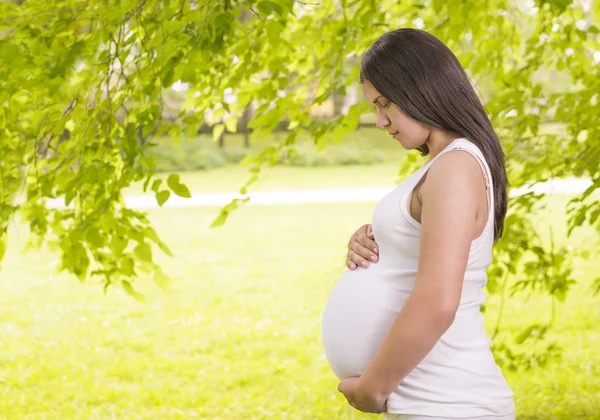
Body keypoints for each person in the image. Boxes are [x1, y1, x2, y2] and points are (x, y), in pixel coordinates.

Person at [320, 28, 516, 419]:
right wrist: (376, 242)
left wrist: (373, 389)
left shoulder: (457, 166)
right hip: (432, 402)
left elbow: (438, 301)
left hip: (450, 403)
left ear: (421, 87)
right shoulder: (443, 164)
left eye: (385, 103)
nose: (379, 121)